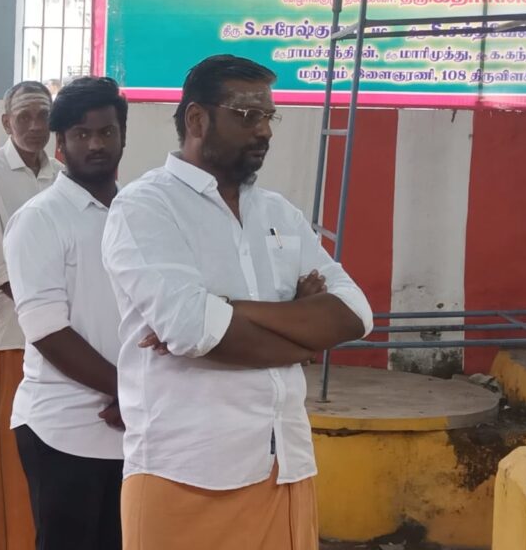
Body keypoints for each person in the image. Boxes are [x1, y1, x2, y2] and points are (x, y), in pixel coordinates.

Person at [100, 54, 374, 550]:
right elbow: (192, 330)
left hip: (285, 464)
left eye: (269, 116)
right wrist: (303, 335)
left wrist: (230, 307)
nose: (264, 130)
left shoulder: (278, 213)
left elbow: (355, 314)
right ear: (197, 119)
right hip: (187, 474)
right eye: (248, 115)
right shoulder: (145, 207)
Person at [3, 76, 127, 550]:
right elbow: (48, 331)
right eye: (81, 133)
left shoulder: (137, 212)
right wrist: (130, 389)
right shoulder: (40, 218)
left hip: (132, 426)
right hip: (63, 427)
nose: (96, 144)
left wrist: (140, 396)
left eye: (106, 131)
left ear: (122, 136)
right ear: (61, 143)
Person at [0, 80, 62, 550]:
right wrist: (48, 312)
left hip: (66, 337)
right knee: (9, 446)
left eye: (44, 115)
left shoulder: (62, 174)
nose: (36, 126)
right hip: (14, 334)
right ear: (6, 122)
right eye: (25, 117)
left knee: (55, 444)